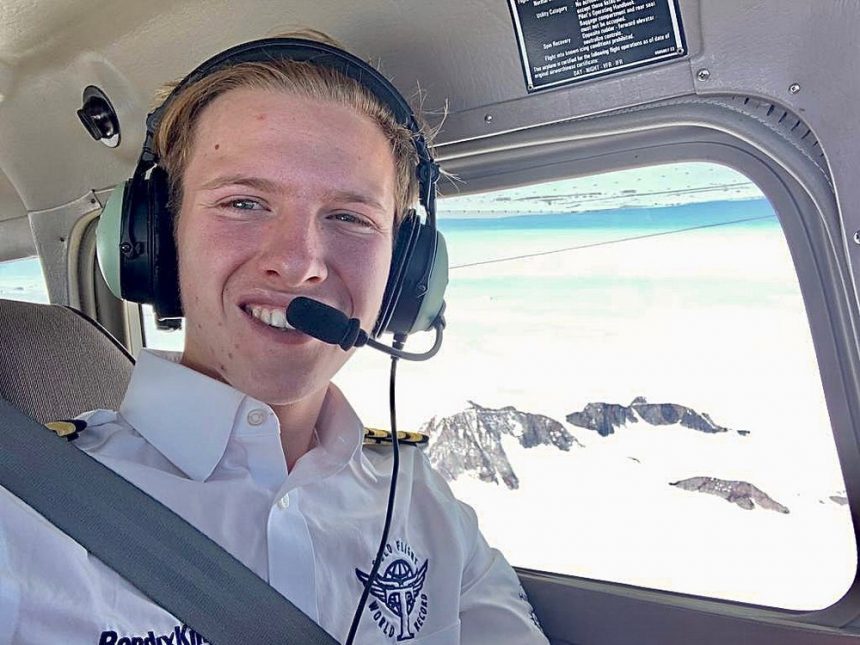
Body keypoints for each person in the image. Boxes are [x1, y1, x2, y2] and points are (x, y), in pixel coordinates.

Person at [0, 30, 549, 644]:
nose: (297, 263)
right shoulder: (23, 517)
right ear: (157, 242)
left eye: (350, 217)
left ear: (405, 274)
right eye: (243, 203)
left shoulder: (423, 503)